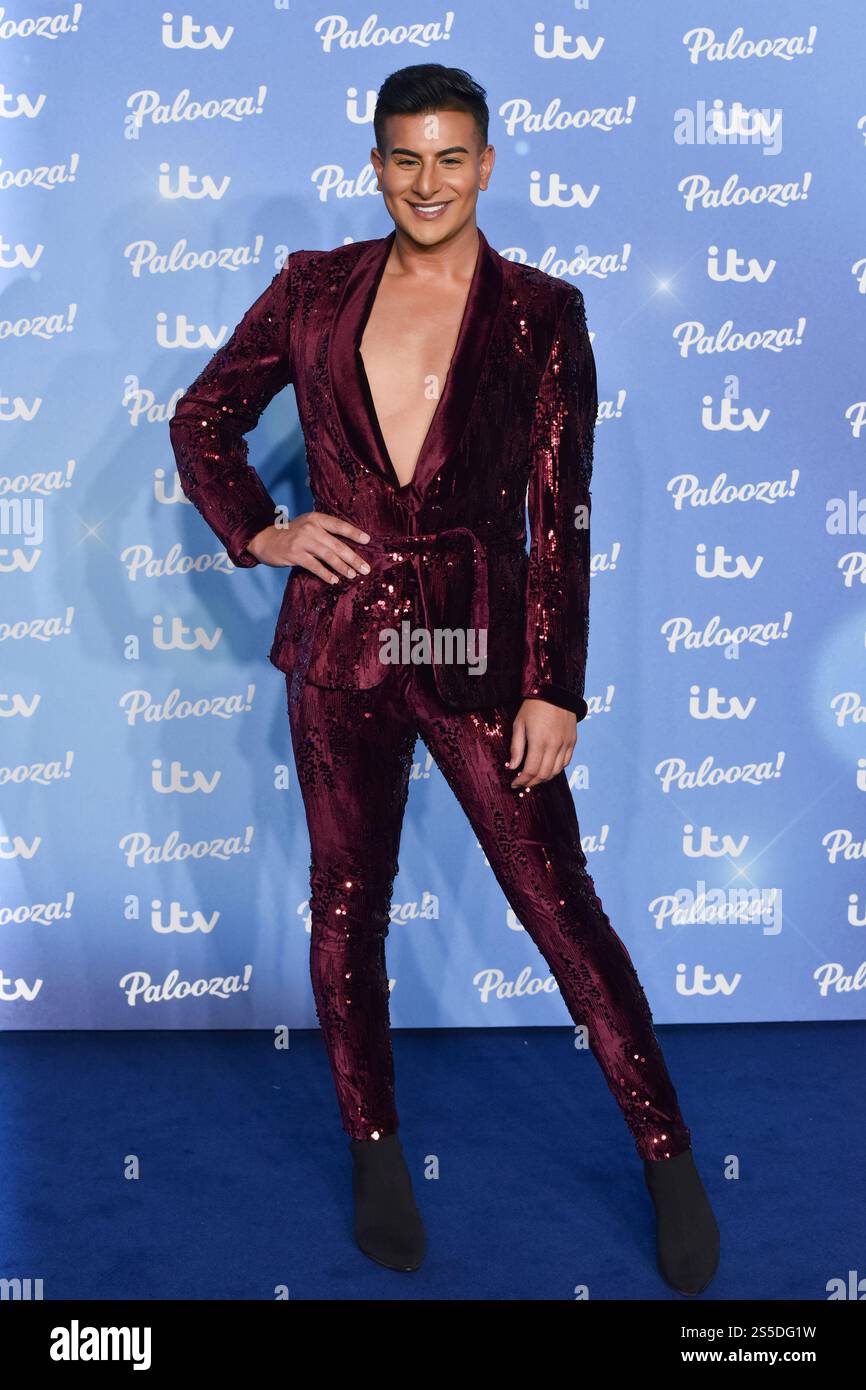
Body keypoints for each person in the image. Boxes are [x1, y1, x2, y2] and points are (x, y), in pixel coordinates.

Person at [168, 63, 720, 1295]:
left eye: (450, 157)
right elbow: (201, 418)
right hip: (340, 641)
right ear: (376, 166)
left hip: (476, 650)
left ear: (485, 162)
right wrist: (262, 530)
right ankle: (373, 1147)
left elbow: (557, 515)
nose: (428, 181)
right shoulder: (312, 289)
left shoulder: (539, 312)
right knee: (345, 903)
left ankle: (670, 1157)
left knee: (558, 904)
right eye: (404, 158)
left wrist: (553, 688)